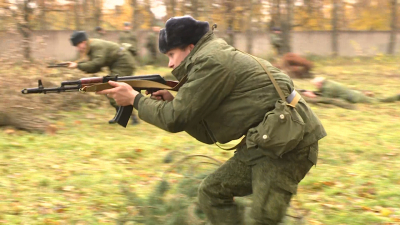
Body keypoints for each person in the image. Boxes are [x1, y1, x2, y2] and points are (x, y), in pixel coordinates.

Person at [97, 16, 326, 225]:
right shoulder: (209, 58)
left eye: (171, 55)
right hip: (266, 140)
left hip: (288, 144)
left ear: (190, 47)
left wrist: (135, 99)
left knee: (262, 219)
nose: (169, 64)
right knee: (212, 192)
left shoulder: (211, 61)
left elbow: (175, 120)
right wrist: (169, 101)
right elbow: (206, 131)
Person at [67, 31, 139, 124]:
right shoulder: (91, 47)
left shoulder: (95, 46)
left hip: (123, 63)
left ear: (83, 42)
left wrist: (77, 65)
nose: (77, 49)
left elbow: (97, 63)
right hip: (119, 63)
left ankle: (131, 117)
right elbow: (96, 67)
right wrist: (79, 65)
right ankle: (122, 115)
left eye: (77, 45)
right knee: (109, 88)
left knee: (112, 88)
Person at [301, 77, 400, 104]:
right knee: (377, 99)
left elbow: (326, 98)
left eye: (316, 85)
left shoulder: (328, 87)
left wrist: (313, 96)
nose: (316, 87)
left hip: (355, 97)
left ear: (319, 84)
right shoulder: (327, 83)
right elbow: (323, 92)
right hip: (354, 94)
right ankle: (367, 94)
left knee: (379, 101)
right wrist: (312, 92)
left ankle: (397, 96)